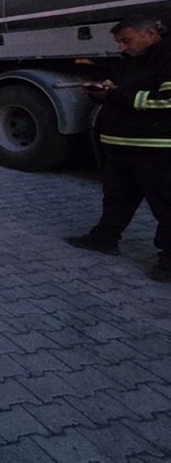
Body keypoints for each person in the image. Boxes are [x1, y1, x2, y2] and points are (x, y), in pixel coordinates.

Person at [66, 16, 171, 282]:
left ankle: (168, 262)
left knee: (166, 205)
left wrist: (114, 95)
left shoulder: (166, 57)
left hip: (155, 148)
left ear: (149, 33)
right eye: (118, 43)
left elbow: (166, 102)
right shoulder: (131, 61)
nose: (121, 48)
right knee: (116, 198)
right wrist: (104, 90)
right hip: (121, 144)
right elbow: (127, 92)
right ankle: (104, 239)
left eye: (126, 40)